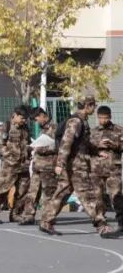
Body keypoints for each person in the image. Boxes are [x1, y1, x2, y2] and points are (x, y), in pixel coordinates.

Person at [40, 97, 113, 237]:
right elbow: (66, 142)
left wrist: (97, 151)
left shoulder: (82, 121)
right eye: (93, 106)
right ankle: (101, 225)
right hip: (76, 166)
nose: (94, 109)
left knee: (61, 194)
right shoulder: (76, 121)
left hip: (74, 164)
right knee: (88, 195)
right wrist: (60, 163)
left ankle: (46, 221)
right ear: (88, 105)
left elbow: (82, 144)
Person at [0, 105, 31, 224]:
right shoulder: (5, 127)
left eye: (25, 118)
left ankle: (16, 214)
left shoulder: (25, 128)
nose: (24, 121)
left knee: (22, 191)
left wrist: (29, 152)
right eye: (22, 118)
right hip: (9, 166)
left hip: (23, 165)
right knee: (2, 189)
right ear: (15, 115)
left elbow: (27, 143)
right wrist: (10, 156)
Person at [15, 107, 56, 225]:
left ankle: (48, 218)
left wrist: (38, 149)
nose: (37, 122)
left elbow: (56, 146)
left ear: (43, 115)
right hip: (37, 166)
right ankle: (28, 215)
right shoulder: (43, 129)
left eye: (37, 119)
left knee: (48, 194)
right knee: (32, 192)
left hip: (48, 166)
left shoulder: (54, 128)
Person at [89, 105, 123, 232]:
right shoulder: (93, 131)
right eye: (100, 118)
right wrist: (97, 146)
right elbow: (87, 148)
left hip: (113, 169)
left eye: (105, 118)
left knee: (116, 196)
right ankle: (100, 222)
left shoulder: (119, 130)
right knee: (97, 197)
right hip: (96, 169)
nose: (103, 120)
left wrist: (114, 145)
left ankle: (121, 222)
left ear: (110, 117)